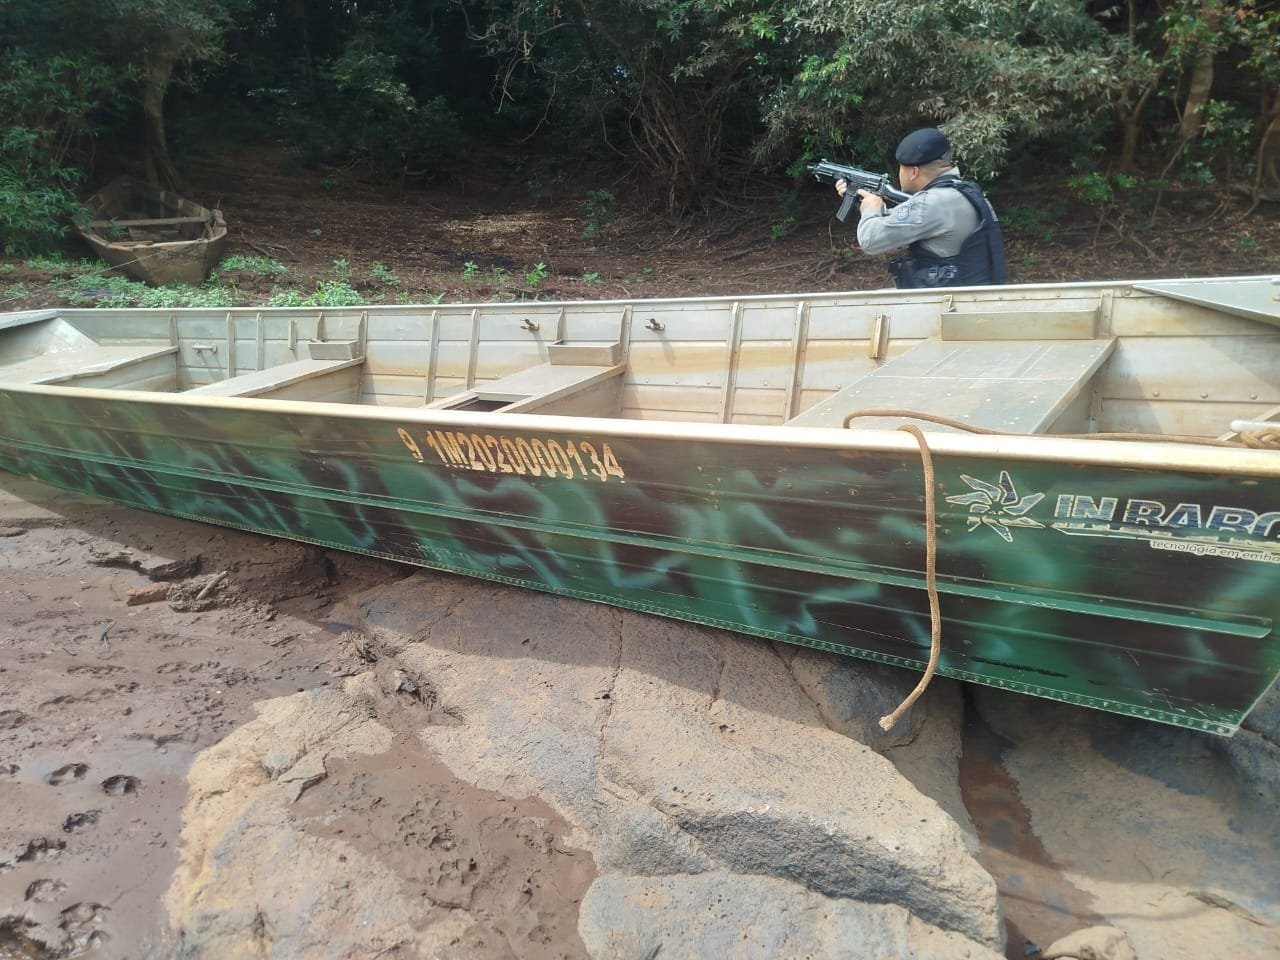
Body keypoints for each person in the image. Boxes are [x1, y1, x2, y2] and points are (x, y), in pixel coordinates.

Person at [835, 127, 1007, 288]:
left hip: (946, 306)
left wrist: (872, 210)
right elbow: (903, 221)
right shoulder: (966, 193)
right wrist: (863, 203)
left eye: (901, 168)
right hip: (973, 297)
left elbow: (870, 241)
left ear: (914, 172)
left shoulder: (931, 203)